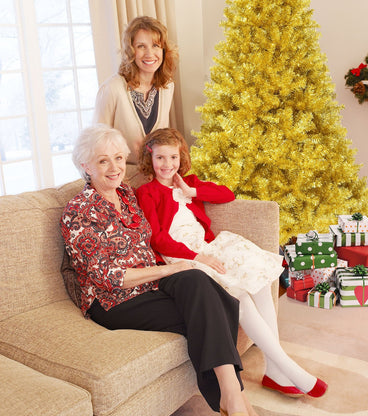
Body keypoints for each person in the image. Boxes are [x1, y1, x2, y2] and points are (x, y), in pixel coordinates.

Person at [60, 124, 256, 416]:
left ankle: (230, 396)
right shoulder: (79, 211)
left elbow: (154, 236)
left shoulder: (126, 194)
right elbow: (110, 278)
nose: (114, 167)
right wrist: (167, 271)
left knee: (197, 280)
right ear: (85, 166)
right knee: (213, 306)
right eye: (103, 161)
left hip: (150, 285)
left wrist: (181, 265)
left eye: (117, 158)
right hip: (114, 300)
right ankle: (235, 397)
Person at [136, 128, 328, 399]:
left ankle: (274, 369)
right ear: (150, 158)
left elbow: (225, 194)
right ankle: (286, 367)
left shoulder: (188, 183)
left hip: (206, 247)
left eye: (173, 157)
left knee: (259, 279)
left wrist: (191, 189)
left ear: (181, 157)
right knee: (239, 296)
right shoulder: (147, 192)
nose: (167, 165)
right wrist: (198, 257)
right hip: (181, 257)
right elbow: (157, 238)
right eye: (160, 158)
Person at [93, 16, 178, 171]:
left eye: (155, 45)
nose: (150, 53)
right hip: (121, 177)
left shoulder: (167, 86)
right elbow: (97, 144)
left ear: (164, 50)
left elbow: (162, 140)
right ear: (130, 51)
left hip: (156, 176)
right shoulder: (112, 88)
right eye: (141, 46)